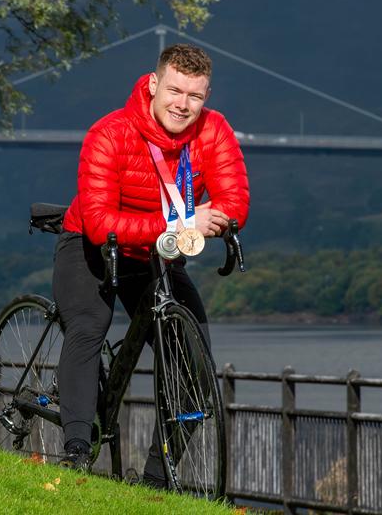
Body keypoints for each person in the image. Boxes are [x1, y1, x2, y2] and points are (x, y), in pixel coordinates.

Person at [51, 43, 250, 483]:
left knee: (195, 367)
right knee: (88, 328)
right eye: (175, 91)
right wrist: (184, 220)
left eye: (195, 96)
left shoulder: (213, 131)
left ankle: (157, 480)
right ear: (154, 84)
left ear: (207, 96)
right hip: (93, 247)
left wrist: (220, 220)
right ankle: (77, 450)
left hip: (158, 252)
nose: (183, 105)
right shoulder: (110, 132)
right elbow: (101, 224)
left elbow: (233, 198)